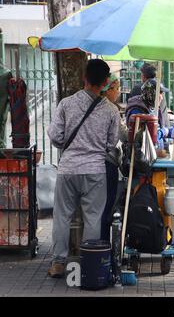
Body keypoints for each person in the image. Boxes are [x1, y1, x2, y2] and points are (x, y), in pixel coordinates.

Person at [47, 59, 120, 278]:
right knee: (93, 218)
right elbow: (112, 142)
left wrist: (68, 147)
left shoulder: (66, 104)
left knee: (62, 217)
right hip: (95, 170)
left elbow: (55, 136)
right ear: (106, 82)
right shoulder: (111, 110)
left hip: (68, 169)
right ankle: (88, 263)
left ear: (84, 78)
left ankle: (58, 262)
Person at [100, 74, 128, 242]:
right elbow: (123, 135)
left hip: (89, 163)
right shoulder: (111, 109)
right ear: (108, 89)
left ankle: (93, 248)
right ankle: (102, 245)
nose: (118, 92)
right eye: (117, 89)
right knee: (106, 207)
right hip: (106, 162)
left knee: (93, 208)